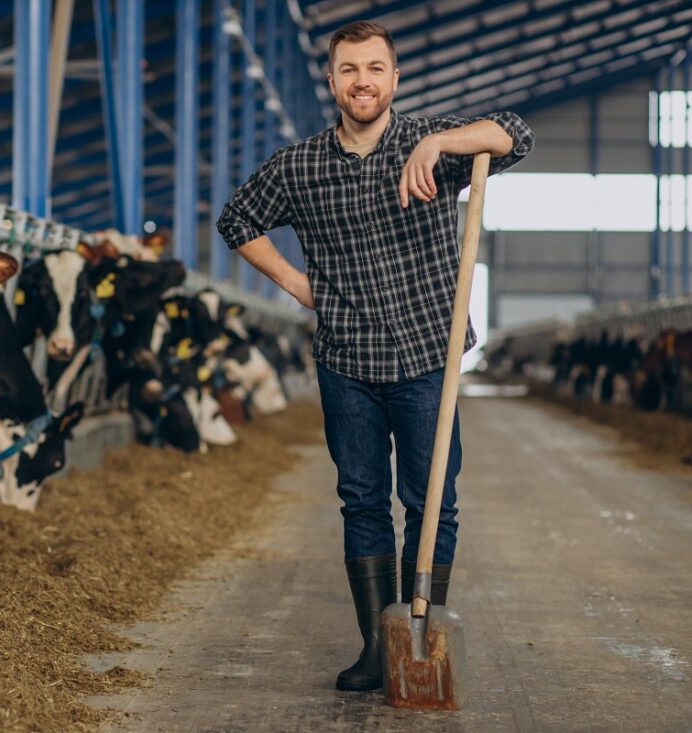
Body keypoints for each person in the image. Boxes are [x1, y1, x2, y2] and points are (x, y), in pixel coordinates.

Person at [216, 20, 533, 692]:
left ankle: (420, 634)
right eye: (349, 69)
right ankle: (374, 648)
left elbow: (514, 132)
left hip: (426, 355)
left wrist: (442, 141)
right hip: (346, 359)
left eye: (375, 68)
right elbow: (237, 219)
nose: (362, 81)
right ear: (332, 81)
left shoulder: (432, 145)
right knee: (362, 501)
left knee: (431, 503)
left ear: (394, 78)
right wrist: (299, 285)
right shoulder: (299, 166)